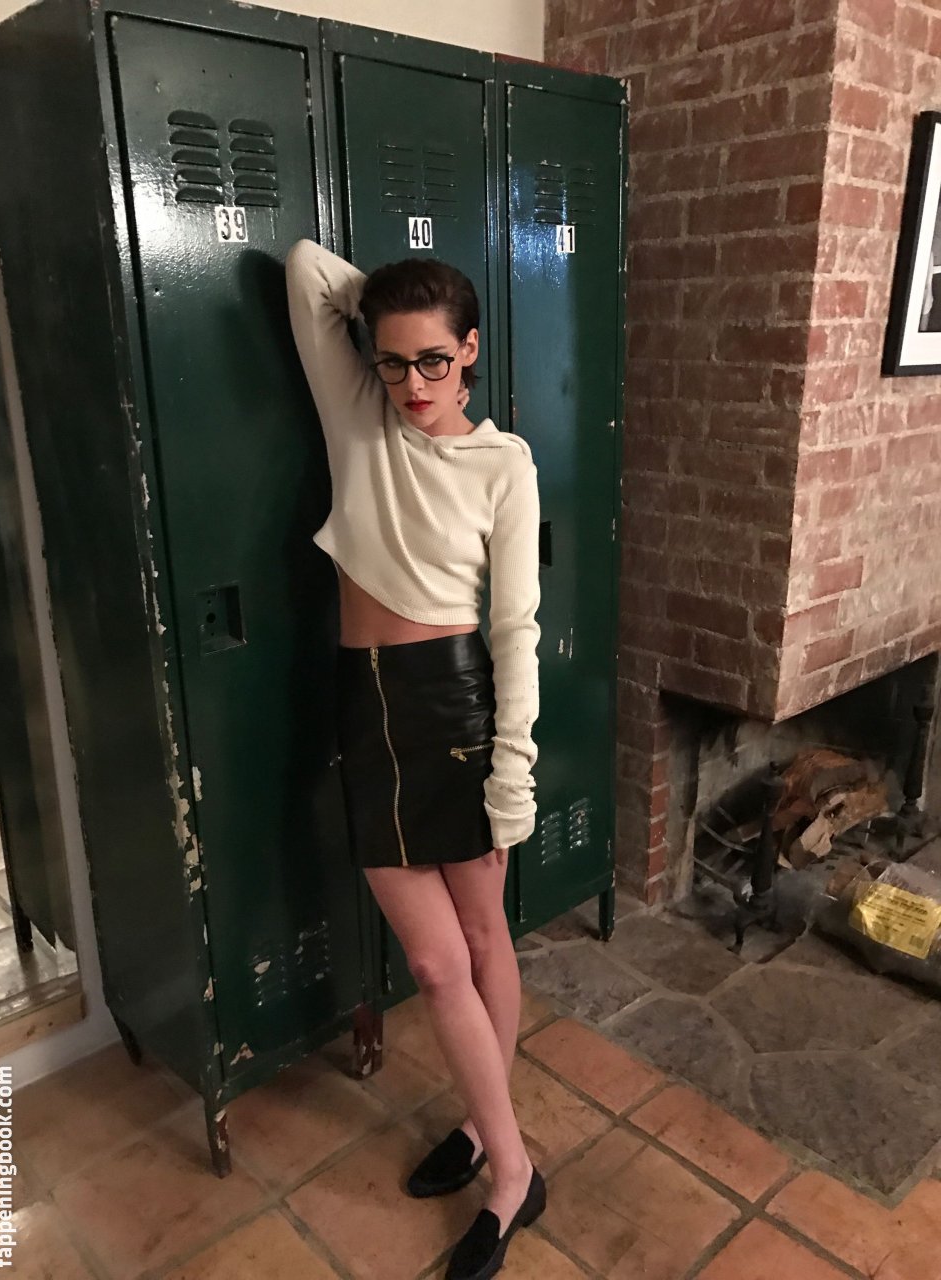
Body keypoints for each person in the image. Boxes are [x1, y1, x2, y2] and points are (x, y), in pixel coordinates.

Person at [285, 237, 545, 1279]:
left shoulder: (503, 462)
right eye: (392, 362)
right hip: (367, 705)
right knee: (433, 964)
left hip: (454, 705)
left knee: (478, 941)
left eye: (436, 359)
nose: (412, 385)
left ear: (471, 350)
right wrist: (387, 306)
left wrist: (513, 770)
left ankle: (496, 1149)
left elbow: (516, 627)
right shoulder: (359, 414)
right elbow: (307, 270)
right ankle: (513, 1156)